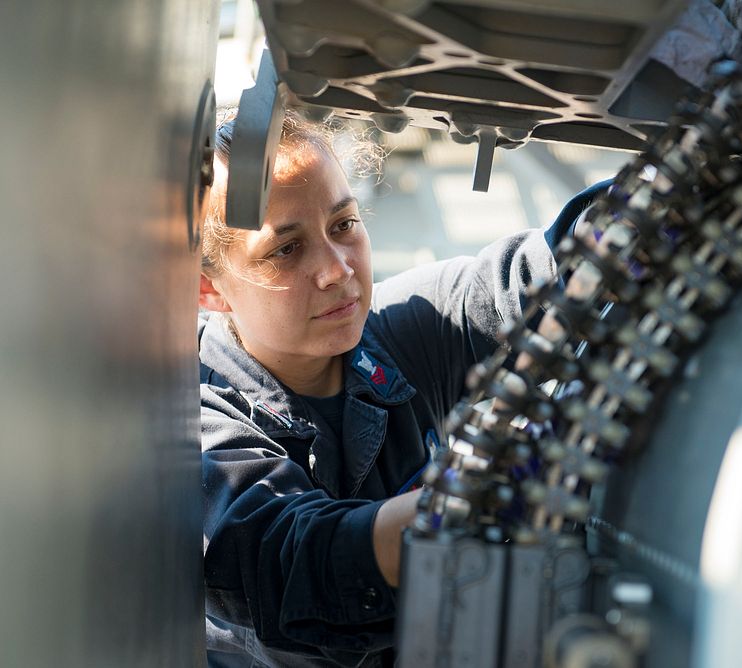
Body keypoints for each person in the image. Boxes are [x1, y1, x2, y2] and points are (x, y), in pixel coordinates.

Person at [198, 109, 565, 667]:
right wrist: (474, 495)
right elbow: (297, 556)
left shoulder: (397, 332)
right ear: (209, 290)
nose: (338, 269)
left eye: (343, 224)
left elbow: (527, 276)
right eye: (285, 250)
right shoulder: (198, 425)